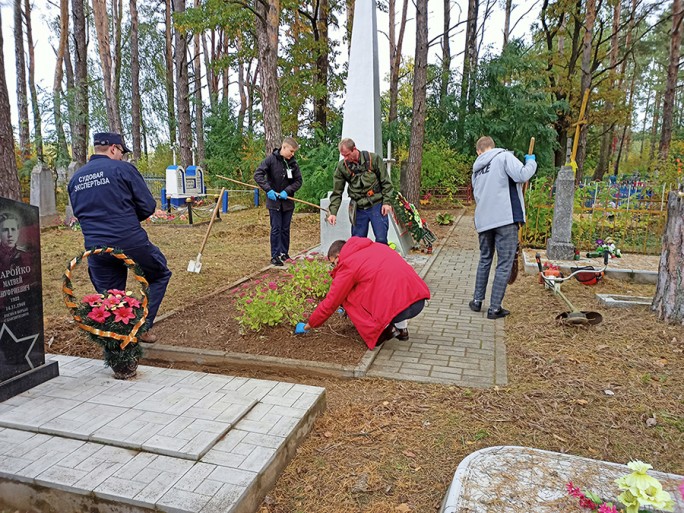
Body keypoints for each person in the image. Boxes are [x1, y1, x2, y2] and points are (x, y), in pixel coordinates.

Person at [68, 132, 171, 343]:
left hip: (95, 247)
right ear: (114, 148)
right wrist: (129, 220)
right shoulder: (123, 169)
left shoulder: (76, 178)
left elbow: (79, 213)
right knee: (159, 274)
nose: (122, 157)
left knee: (111, 295)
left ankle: (117, 337)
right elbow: (147, 206)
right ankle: (142, 328)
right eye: (122, 152)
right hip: (129, 241)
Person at [293, 237, 430, 350]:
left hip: (399, 309)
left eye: (334, 263)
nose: (335, 268)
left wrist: (309, 325)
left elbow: (331, 301)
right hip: (418, 299)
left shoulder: (348, 264)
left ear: (339, 256)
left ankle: (383, 330)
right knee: (386, 289)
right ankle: (402, 330)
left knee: (348, 296)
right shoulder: (376, 247)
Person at [469, 136, 537, 319]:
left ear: (479, 151)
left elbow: (477, 195)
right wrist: (531, 163)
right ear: (492, 146)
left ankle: (477, 301)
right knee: (504, 263)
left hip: (484, 221)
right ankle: (494, 308)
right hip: (505, 219)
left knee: (485, 259)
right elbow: (522, 175)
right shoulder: (504, 156)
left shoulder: (476, 170)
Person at [326, 138, 394, 244]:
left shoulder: (374, 159)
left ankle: (381, 260)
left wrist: (387, 203)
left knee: (381, 239)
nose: (346, 158)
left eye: (347, 155)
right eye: (343, 155)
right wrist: (333, 212)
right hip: (358, 207)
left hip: (377, 205)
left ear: (354, 149)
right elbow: (337, 191)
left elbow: (386, 182)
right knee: (357, 241)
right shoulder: (342, 166)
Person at [254, 137, 303, 266]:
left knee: (285, 229)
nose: (292, 154)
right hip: (274, 202)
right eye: (291, 151)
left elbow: (298, 181)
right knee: (276, 228)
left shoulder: (293, 164)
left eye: (294, 152)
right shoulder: (270, 160)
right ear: (284, 147)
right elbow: (258, 175)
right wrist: (268, 190)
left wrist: (287, 191)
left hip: (287, 203)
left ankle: (284, 253)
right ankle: (275, 255)